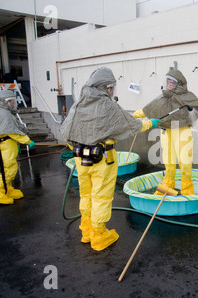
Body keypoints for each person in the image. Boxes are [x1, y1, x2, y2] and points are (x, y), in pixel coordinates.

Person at [60, 67, 160, 251]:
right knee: (101, 197)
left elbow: (65, 131)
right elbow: (131, 124)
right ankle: (99, 235)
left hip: (80, 160)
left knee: (86, 195)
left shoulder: (79, 104)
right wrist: (149, 123)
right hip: (102, 159)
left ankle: (86, 230)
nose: (113, 91)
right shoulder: (107, 105)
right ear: (106, 87)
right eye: (112, 87)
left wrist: (78, 149)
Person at [133, 69, 198, 195]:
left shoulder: (186, 96)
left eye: (172, 82)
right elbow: (149, 109)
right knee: (168, 159)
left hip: (181, 131)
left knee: (184, 158)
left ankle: (187, 188)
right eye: (168, 82)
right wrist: (136, 115)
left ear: (179, 84)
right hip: (166, 131)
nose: (169, 84)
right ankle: (168, 184)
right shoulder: (162, 98)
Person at [0, 89, 35, 205]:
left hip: (3, 147)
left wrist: (16, 145)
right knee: (8, 170)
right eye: (11, 101)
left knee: (9, 169)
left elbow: (5, 132)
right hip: (1, 149)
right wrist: (27, 141)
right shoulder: (3, 114)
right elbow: (13, 132)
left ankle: (7, 189)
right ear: (4, 102)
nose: (13, 104)